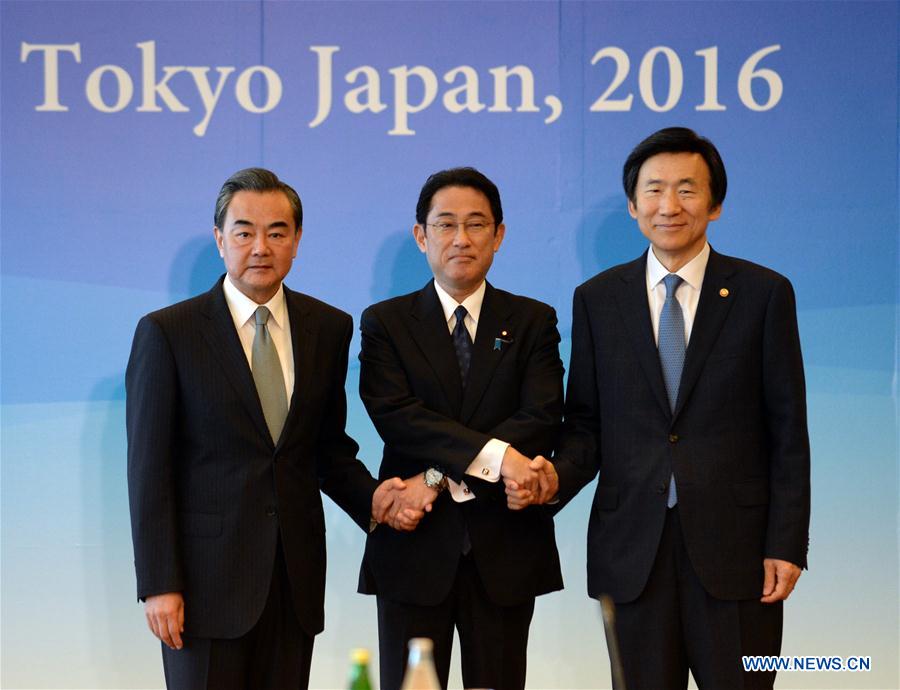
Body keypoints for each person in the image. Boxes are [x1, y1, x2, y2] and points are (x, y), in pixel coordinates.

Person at [510, 128, 811, 689]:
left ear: (715, 204)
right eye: (653, 190)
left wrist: (786, 544)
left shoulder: (764, 293)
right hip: (632, 555)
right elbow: (587, 427)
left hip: (739, 554)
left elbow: (788, 431)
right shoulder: (598, 299)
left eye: (687, 190)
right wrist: (552, 476)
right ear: (632, 204)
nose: (668, 205)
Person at [126, 168, 419, 690]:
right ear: (220, 240)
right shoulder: (168, 332)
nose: (260, 247)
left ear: (297, 241)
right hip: (202, 588)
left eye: (277, 232)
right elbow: (149, 470)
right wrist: (158, 584)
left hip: (292, 581)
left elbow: (325, 448)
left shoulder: (327, 328)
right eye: (244, 232)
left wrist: (375, 500)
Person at [357, 167, 564, 690]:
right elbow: (398, 417)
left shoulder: (533, 321)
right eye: (445, 224)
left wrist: (433, 479)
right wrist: (498, 457)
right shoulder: (386, 323)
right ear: (421, 236)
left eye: (476, 225)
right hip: (413, 549)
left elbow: (540, 417)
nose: (461, 239)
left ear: (499, 234)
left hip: (505, 549)